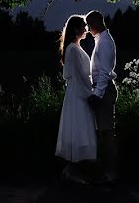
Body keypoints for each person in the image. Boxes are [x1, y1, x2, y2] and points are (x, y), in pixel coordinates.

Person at [55, 14, 97, 184]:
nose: (86, 29)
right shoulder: (72, 49)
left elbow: (81, 75)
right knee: (77, 130)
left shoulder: (75, 48)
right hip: (78, 94)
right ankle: (72, 172)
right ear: (75, 29)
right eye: (83, 26)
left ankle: (70, 170)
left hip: (78, 92)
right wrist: (91, 94)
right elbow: (80, 76)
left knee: (79, 130)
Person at [85, 10, 118, 183]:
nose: (88, 29)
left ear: (96, 24)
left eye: (89, 25)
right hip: (101, 90)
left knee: (107, 133)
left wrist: (97, 94)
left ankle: (110, 174)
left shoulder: (104, 42)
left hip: (104, 91)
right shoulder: (101, 40)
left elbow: (104, 72)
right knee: (103, 133)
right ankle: (105, 172)